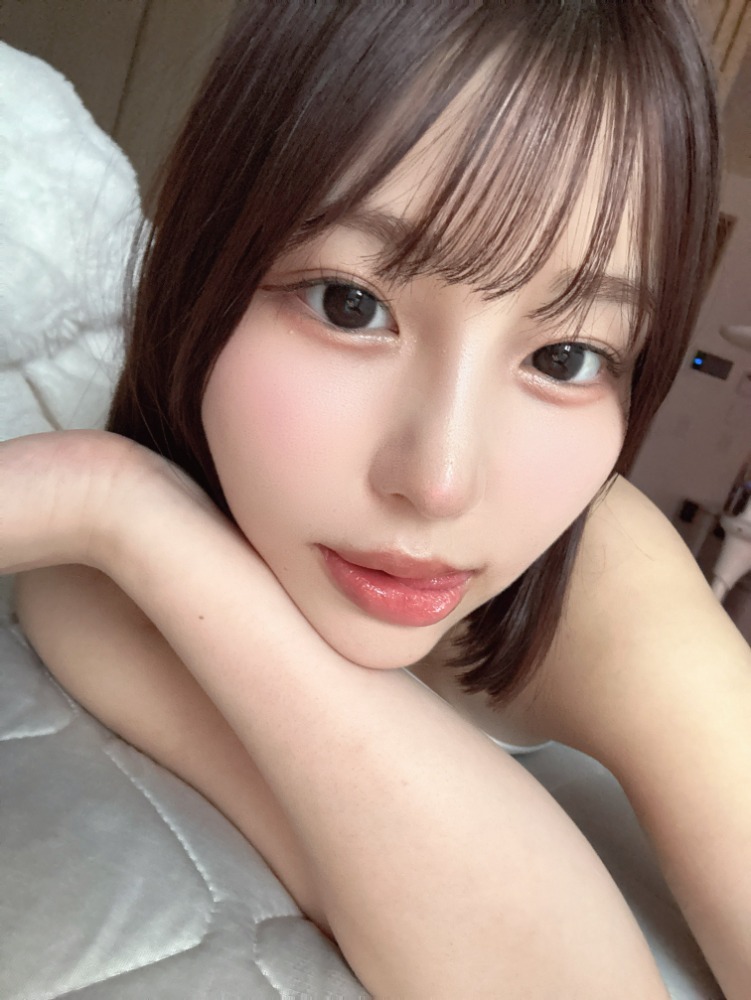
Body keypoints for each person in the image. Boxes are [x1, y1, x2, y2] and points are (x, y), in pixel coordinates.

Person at [2, 1, 751, 996]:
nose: (439, 482)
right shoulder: (107, 571)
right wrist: (121, 506)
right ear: (199, 274)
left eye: (567, 356)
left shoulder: (609, 570)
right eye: (350, 304)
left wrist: (114, 507)